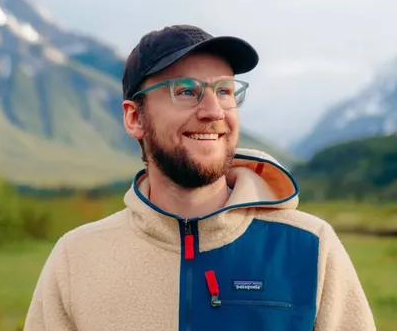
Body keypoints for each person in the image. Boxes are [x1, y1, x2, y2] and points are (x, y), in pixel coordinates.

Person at [23, 24, 376, 331]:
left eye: (224, 91)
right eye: (186, 91)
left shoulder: (310, 247)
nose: (213, 111)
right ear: (135, 118)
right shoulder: (76, 258)